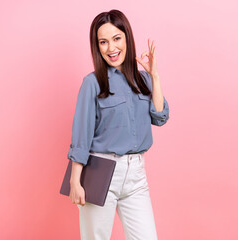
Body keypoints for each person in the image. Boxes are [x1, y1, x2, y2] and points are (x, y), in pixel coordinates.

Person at [66, 9, 169, 240]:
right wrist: (75, 180)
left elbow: (160, 117)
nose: (111, 48)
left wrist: (155, 77)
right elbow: (81, 134)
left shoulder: (143, 80)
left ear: (127, 38)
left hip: (136, 175)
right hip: (101, 170)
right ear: (97, 46)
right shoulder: (92, 83)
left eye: (116, 39)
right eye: (103, 42)